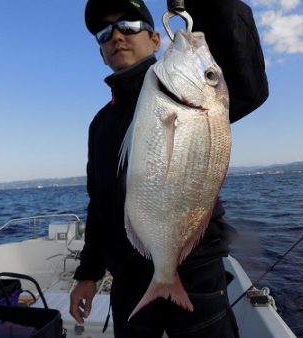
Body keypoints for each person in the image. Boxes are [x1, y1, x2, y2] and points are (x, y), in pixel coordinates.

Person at [70, 0, 268, 337]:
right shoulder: (100, 124)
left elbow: (248, 87)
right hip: (127, 279)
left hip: (196, 273)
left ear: (157, 40)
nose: (116, 36)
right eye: (105, 33)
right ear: (101, 53)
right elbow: (99, 204)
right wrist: (88, 274)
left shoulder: (194, 99)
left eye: (130, 25)